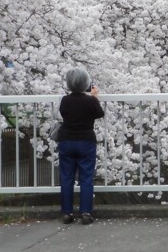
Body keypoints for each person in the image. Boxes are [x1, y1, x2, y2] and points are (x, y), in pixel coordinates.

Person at [58, 67, 104, 225]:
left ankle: (66, 212)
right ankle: (85, 212)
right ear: (86, 83)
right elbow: (100, 113)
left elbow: (64, 113)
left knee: (66, 178)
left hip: (66, 141)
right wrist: (94, 97)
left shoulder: (65, 100)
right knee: (86, 177)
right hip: (86, 141)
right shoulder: (90, 101)